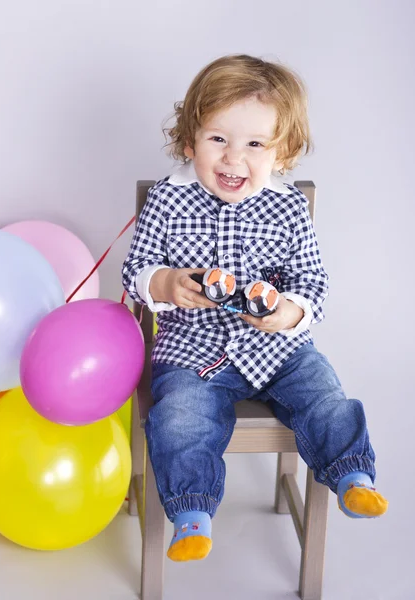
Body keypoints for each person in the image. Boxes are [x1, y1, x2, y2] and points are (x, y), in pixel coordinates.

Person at [122, 54, 388, 563]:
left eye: (254, 145)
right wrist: (168, 282)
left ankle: (353, 473)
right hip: (192, 353)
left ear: (282, 154)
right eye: (217, 139)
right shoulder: (167, 200)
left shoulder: (287, 208)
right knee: (179, 418)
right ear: (188, 141)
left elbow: (312, 282)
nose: (232, 159)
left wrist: (285, 313)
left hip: (278, 349)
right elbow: (137, 270)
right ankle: (192, 513)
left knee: (324, 394)